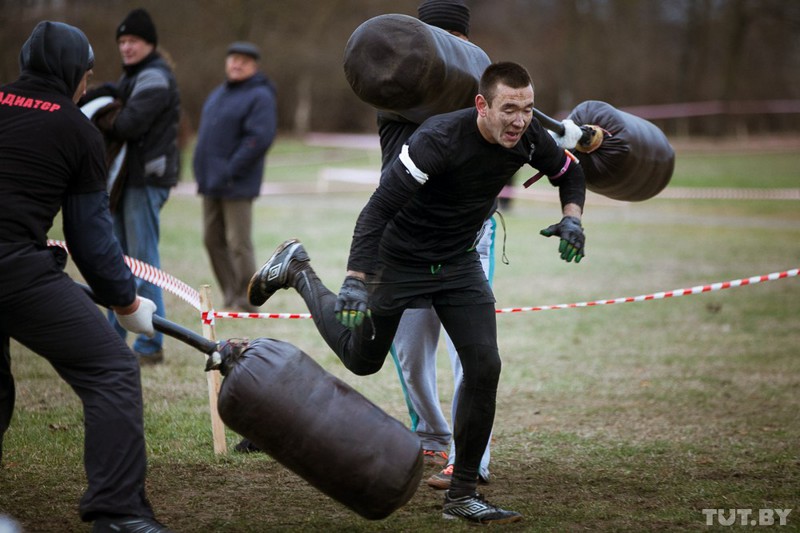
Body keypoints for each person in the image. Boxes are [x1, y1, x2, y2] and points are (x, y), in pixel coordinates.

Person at [247, 61, 587, 525]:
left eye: (528, 109)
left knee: (484, 364)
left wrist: (572, 217)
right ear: (482, 105)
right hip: (400, 260)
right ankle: (298, 270)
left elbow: (570, 170)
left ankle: (463, 494)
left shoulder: (528, 138)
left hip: (459, 264)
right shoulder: (437, 139)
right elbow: (376, 210)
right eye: (509, 109)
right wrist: (354, 280)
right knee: (362, 359)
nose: (520, 120)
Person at [0, 20, 171, 532]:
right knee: (113, 371)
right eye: (87, 78)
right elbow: (92, 244)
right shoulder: (76, 130)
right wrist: (127, 303)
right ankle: (117, 514)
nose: (87, 87)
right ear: (76, 75)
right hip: (15, 270)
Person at [381, 0, 495, 486]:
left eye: (449, 39)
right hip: (407, 235)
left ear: (465, 43)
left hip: (470, 237)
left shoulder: (486, 94)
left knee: (471, 351)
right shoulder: (396, 87)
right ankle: (431, 435)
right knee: (407, 346)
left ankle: (472, 459)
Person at [88, 8, 181, 365]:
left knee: (142, 265)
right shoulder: (134, 77)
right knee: (119, 263)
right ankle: (115, 340)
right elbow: (119, 99)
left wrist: (101, 113)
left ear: (150, 44)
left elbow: (128, 123)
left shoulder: (154, 77)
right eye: (122, 41)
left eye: (133, 41)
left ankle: (149, 345)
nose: (126, 47)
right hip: (126, 182)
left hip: (145, 181)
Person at [194, 41, 278, 313]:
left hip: (237, 183)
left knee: (238, 244)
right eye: (233, 59)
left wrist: (231, 170)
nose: (236, 64)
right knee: (211, 239)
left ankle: (248, 299)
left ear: (255, 66)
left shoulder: (260, 95)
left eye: (243, 60)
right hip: (211, 183)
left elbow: (259, 138)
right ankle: (231, 296)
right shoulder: (219, 93)